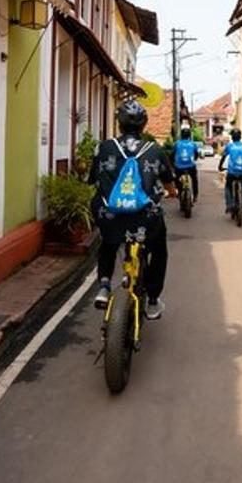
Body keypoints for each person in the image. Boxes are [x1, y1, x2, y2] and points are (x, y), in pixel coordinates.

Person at [88, 101, 177, 319]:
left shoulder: (103, 147)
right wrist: (171, 193)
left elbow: (92, 180)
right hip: (144, 219)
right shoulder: (154, 150)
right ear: (144, 125)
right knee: (158, 249)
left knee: (108, 242)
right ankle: (153, 299)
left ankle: (104, 285)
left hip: (110, 215)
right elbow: (169, 184)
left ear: (119, 123)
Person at [217, 129, 242, 215]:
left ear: (232, 137)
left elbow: (224, 157)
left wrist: (220, 167)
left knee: (228, 187)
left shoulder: (230, 146)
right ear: (240, 137)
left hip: (232, 172)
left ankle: (229, 206)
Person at [172, 128, 200, 201]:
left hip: (179, 167)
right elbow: (196, 154)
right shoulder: (193, 144)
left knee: (176, 178)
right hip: (191, 166)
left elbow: (172, 154)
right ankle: (195, 195)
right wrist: (194, 160)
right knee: (194, 179)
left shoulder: (177, 143)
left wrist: (172, 162)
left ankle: (178, 191)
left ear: (181, 135)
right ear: (189, 135)